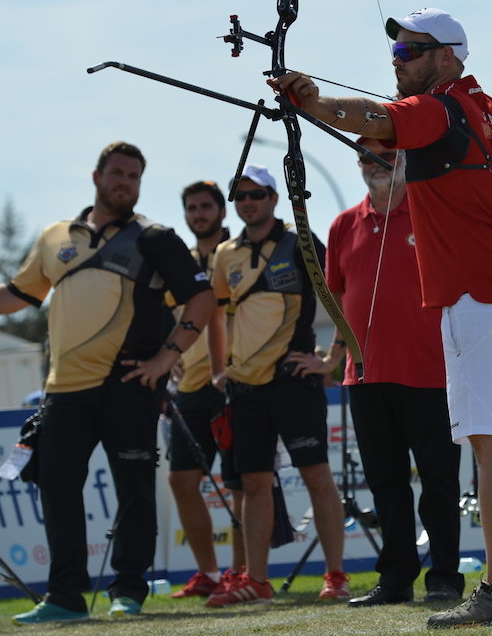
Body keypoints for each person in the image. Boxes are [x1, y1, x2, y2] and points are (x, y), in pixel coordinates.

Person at [271, 8, 492, 627]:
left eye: (412, 51)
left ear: (448, 56)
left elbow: (376, 118)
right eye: (395, 52)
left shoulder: (440, 105)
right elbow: (395, 131)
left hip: (478, 299)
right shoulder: (487, 110)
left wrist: (313, 101)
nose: (398, 60)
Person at [0, 141, 216, 623]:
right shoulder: (55, 236)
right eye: (117, 173)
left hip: (130, 382)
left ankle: (129, 591)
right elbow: (16, 295)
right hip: (63, 390)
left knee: (135, 489)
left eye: (134, 177)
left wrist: (168, 356)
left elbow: (201, 299)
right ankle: (64, 598)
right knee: (56, 484)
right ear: (97, 176)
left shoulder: (156, 237)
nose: (125, 183)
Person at [288, 139, 464, 607]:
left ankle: (445, 576)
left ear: (405, 157)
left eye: (386, 152)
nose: (375, 162)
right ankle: (396, 579)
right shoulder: (344, 225)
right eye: (365, 155)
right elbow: (338, 303)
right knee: (386, 485)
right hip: (365, 378)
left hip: (434, 373)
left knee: (439, 481)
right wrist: (331, 359)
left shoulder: (434, 213)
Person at [203, 164, 350, 607]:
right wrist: (218, 367)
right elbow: (217, 314)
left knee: (316, 476)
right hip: (245, 387)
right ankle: (257, 581)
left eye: (257, 193)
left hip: (293, 380)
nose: (248, 201)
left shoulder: (299, 242)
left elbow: (342, 293)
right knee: (253, 483)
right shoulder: (225, 253)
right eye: (241, 195)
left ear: (273, 198)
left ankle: (336, 576)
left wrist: (332, 356)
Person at [165, 181, 243, 599]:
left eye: (206, 206)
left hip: (232, 382)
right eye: (191, 207)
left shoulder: (239, 253)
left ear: (221, 212)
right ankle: (209, 574)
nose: (199, 214)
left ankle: (243, 572)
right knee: (181, 480)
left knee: (240, 483)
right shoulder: (180, 262)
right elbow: (161, 311)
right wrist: (166, 351)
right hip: (188, 389)